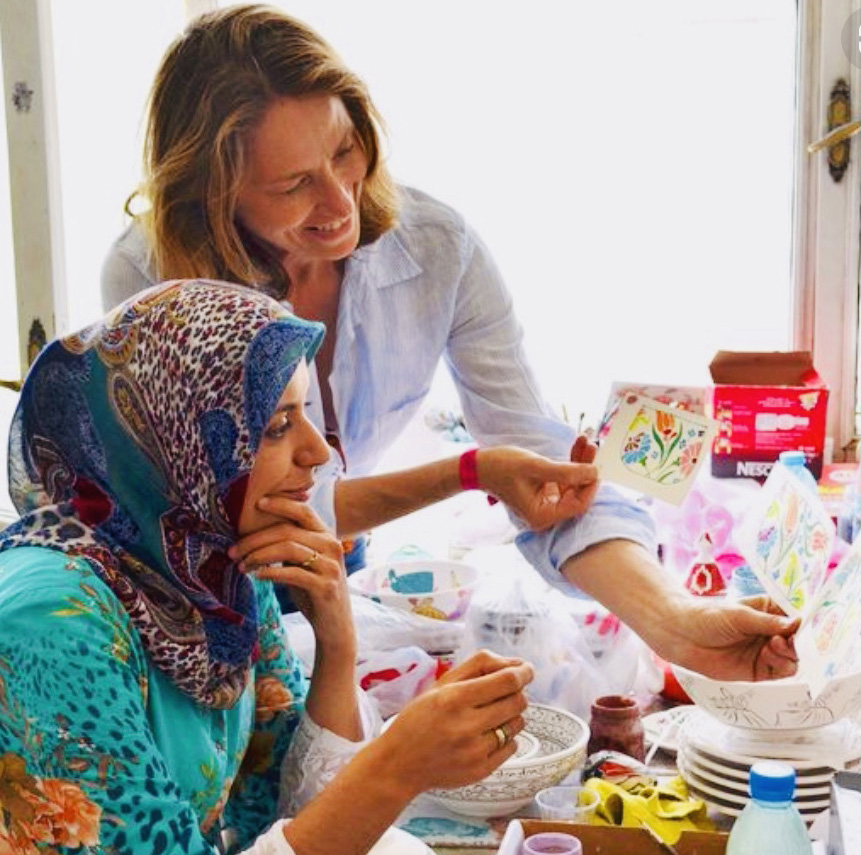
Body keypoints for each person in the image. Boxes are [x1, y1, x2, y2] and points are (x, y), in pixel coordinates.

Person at [100, 4, 799, 683]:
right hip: (202, 584)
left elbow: (545, 468)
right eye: (292, 186)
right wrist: (470, 471)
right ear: (213, 195)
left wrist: (675, 622)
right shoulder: (151, 276)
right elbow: (261, 508)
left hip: (333, 557)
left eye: (345, 150)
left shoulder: (438, 250)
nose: (342, 202)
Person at [0, 278, 581, 855]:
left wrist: (337, 642)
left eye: (303, 413)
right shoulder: (54, 618)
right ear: (172, 441)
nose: (318, 452)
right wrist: (397, 765)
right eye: (276, 426)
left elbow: (293, 813)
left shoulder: (211, 565)